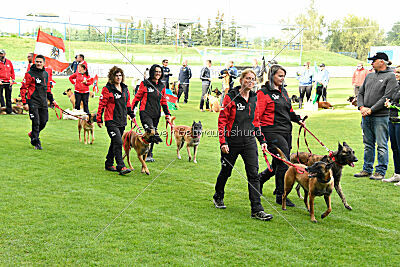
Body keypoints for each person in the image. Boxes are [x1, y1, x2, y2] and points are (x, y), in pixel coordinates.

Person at [213, 68, 273, 221]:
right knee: (226, 172)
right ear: (241, 80)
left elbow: (256, 121)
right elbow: (222, 121)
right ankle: (218, 195)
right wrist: (223, 142)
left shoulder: (254, 98)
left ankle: (257, 209)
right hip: (231, 141)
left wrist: (262, 141)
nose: (250, 81)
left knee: (253, 175)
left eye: (253, 79)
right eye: (247, 78)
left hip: (249, 142)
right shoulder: (230, 97)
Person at [257, 64, 303, 206]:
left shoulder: (284, 92)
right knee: (284, 161)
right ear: (272, 76)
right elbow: (256, 115)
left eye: (284, 76)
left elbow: (288, 111)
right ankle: (280, 194)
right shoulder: (263, 93)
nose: (282, 79)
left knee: (278, 162)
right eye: (280, 76)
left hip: (285, 131)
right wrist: (260, 136)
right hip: (270, 131)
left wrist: (298, 119)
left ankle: (259, 180)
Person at [354, 52, 397, 180]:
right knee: (368, 144)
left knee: (382, 144)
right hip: (366, 115)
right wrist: (361, 107)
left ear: (382, 62)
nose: (371, 63)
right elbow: (360, 92)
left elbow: (387, 97)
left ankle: (380, 171)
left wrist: (371, 110)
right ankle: (367, 169)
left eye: (374, 60)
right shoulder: (370, 75)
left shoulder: (391, 77)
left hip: (381, 116)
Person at [96, 66, 134, 175]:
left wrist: (131, 113)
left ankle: (108, 163)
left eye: (120, 75)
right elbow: (101, 105)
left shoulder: (125, 89)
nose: (118, 77)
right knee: (118, 141)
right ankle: (121, 166)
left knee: (114, 142)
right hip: (111, 121)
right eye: (116, 75)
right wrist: (99, 119)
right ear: (112, 77)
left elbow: (127, 103)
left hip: (121, 120)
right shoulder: (107, 89)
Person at [132, 64, 171, 162]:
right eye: (156, 71)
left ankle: (148, 153)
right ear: (152, 72)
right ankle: (146, 153)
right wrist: (131, 110)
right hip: (145, 113)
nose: (158, 73)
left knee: (153, 133)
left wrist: (167, 114)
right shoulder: (144, 83)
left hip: (156, 114)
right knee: (151, 132)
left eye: (159, 72)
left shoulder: (162, 86)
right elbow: (137, 97)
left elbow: (163, 101)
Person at [20, 55, 55, 150]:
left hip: (43, 102)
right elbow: (23, 88)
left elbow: (47, 89)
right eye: (37, 61)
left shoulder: (45, 74)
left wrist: (52, 100)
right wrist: (25, 102)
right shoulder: (29, 74)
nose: (39, 63)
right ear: (35, 62)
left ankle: (32, 134)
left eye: (40, 62)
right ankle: (36, 142)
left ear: (44, 63)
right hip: (33, 102)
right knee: (36, 122)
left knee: (44, 122)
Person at [382, 65, 400, 185]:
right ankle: (397, 174)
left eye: (398, 72)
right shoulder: (397, 86)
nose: (396, 74)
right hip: (392, 120)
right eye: (395, 72)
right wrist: (389, 102)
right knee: (394, 148)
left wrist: (392, 106)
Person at [0, 49, 15, 114]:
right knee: (0, 95)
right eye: (0, 54)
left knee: (8, 97)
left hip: (8, 82)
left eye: (2, 54)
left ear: (5, 54)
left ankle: (9, 111)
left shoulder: (9, 62)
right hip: (1, 81)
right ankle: (3, 108)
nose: (1, 55)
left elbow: (12, 71)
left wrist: (13, 79)